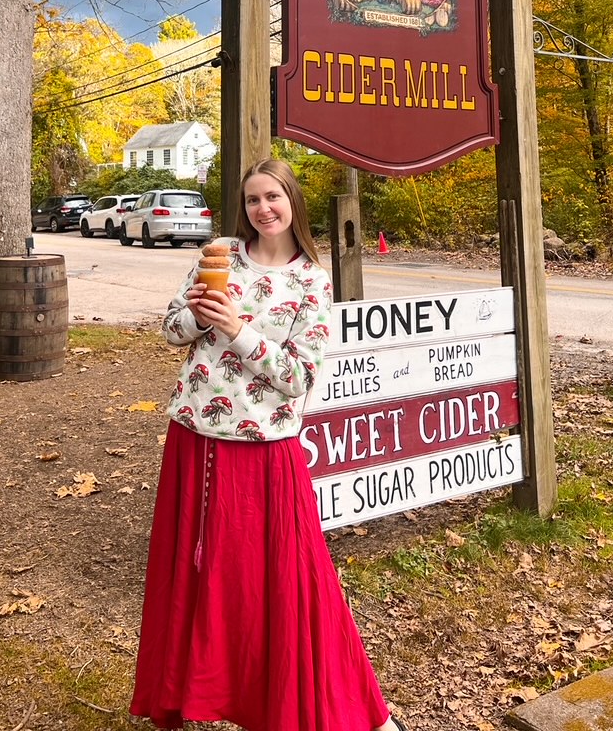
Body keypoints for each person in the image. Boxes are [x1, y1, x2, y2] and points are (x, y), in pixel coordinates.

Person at [130, 158, 406, 731]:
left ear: (292, 202)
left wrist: (238, 330)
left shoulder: (311, 281)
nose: (263, 209)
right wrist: (202, 319)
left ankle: (306, 703)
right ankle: (194, 693)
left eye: (273, 197)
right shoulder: (221, 255)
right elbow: (170, 329)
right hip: (194, 435)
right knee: (196, 574)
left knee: (278, 581)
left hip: (262, 446)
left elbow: (299, 378)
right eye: (253, 199)